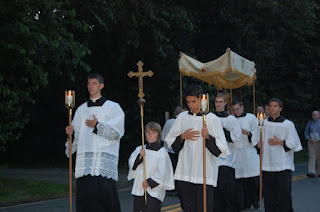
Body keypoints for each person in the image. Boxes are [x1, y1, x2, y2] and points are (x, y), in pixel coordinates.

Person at [65, 73, 125, 212]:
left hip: (103, 163)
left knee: (105, 203)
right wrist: (71, 134)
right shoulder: (80, 110)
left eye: (94, 83)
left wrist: (97, 126)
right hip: (85, 164)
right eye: (89, 84)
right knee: (86, 203)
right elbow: (76, 138)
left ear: (101, 85)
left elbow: (116, 133)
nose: (91, 86)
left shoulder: (113, 108)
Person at [165, 85, 229, 212]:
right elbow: (170, 140)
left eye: (193, 101)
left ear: (202, 100)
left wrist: (208, 137)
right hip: (185, 171)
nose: (191, 105)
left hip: (204, 172)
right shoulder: (182, 117)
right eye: (188, 102)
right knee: (187, 206)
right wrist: (183, 136)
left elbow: (223, 149)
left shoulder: (211, 119)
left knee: (203, 207)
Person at [254, 98, 302, 212]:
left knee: (284, 196)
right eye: (270, 106)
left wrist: (280, 142)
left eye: (275, 106)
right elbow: (256, 140)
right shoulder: (262, 123)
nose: (272, 108)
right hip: (267, 164)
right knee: (269, 197)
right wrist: (258, 145)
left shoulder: (288, 124)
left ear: (280, 108)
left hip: (283, 166)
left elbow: (293, 144)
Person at [128, 121, 174, 212]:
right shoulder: (140, 149)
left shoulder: (162, 152)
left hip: (154, 190)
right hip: (140, 188)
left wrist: (150, 182)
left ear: (158, 135)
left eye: (153, 133)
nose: (150, 135)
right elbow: (131, 163)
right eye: (148, 132)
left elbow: (163, 172)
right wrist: (140, 157)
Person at [213, 93, 243, 212]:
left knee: (227, 191)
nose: (218, 104)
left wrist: (223, 130)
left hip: (227, 160)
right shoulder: (210, 117)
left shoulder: (231, 119)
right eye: (216, 101)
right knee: (215, 193)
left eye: (221, 102)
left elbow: (237, 140)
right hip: (213, 160)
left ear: (225, 103)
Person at [231, 100, 260, 210]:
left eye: (237, 109)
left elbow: (257, 134)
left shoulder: (251, 118)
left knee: (253, 181)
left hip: (249, 152)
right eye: (233, 110)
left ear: (242, 107)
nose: (236, 111)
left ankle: (255, 199)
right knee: (240, 182)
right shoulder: (232, 119)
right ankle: (244, 203)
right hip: (237, 153)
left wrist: (248, 133)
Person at [161, 106, 184, 196]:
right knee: (177, 170)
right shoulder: (181, 122)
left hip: (168, 150)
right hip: (177, 150)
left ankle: (169, 188)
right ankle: (177, 189)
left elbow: (163, 136)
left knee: (169, 170)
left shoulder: (169, 122)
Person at [304, 110, 320, 177]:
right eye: (313, 114)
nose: (314, 116)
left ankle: (319, 172)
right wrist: (308, 138)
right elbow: (306, 132)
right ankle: (311, 172)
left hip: (319, 142)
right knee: (312, 157)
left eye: (316, 114)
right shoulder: (310, 123)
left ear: (319, 115)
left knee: (319, 157)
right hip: (311, 142)